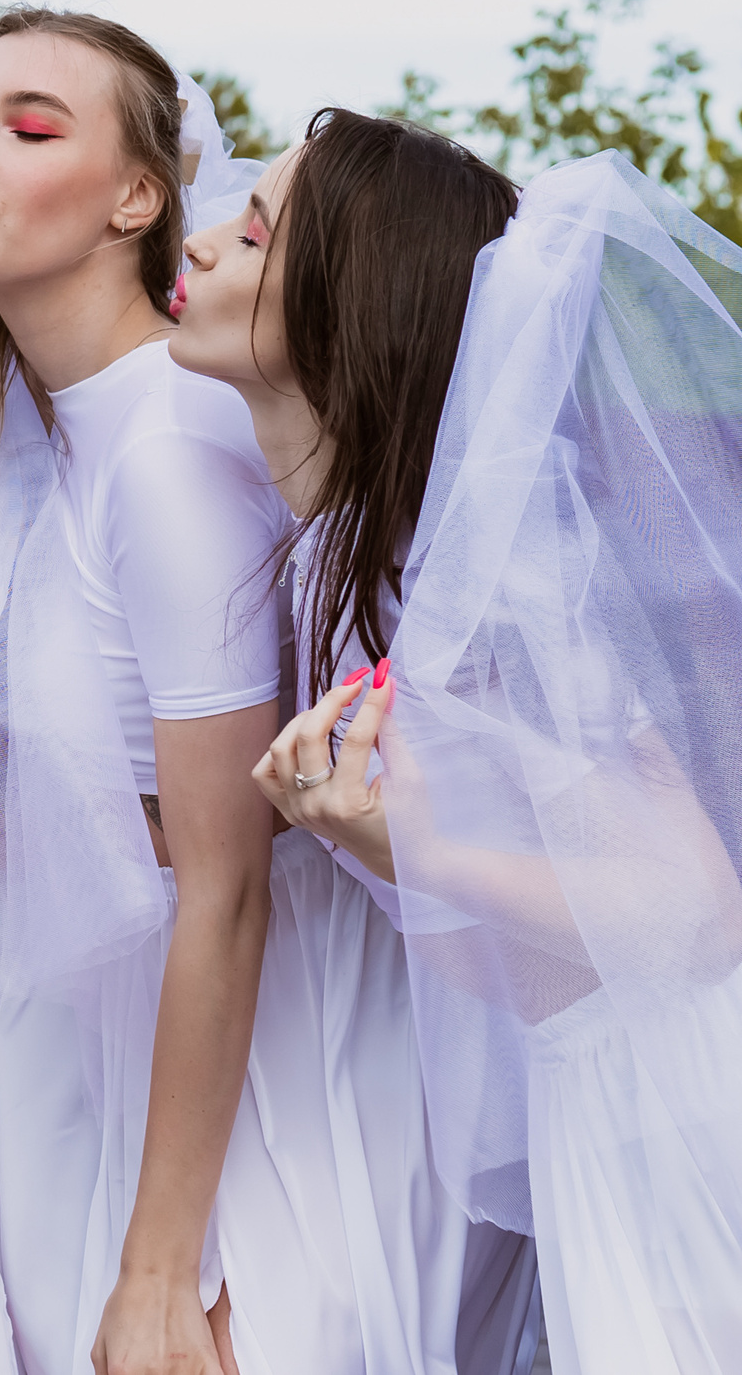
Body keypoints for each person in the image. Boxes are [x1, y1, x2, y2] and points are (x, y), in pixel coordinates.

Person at [0, 9, 499, 1375]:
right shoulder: (28, 434)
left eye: (30, 127)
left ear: (140, 194)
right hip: (112, 1028)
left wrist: (158, 1265)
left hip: (265, 1064)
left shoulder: (175, 444)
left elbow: (228, 880)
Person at [174, 114, 732, 1372]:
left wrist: (396, 836)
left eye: (252, 231)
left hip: (670, 1101)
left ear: (347, 303)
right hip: (594, 1088)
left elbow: (695, 910)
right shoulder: (352, 551)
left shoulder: (497, 585)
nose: (201, 244)